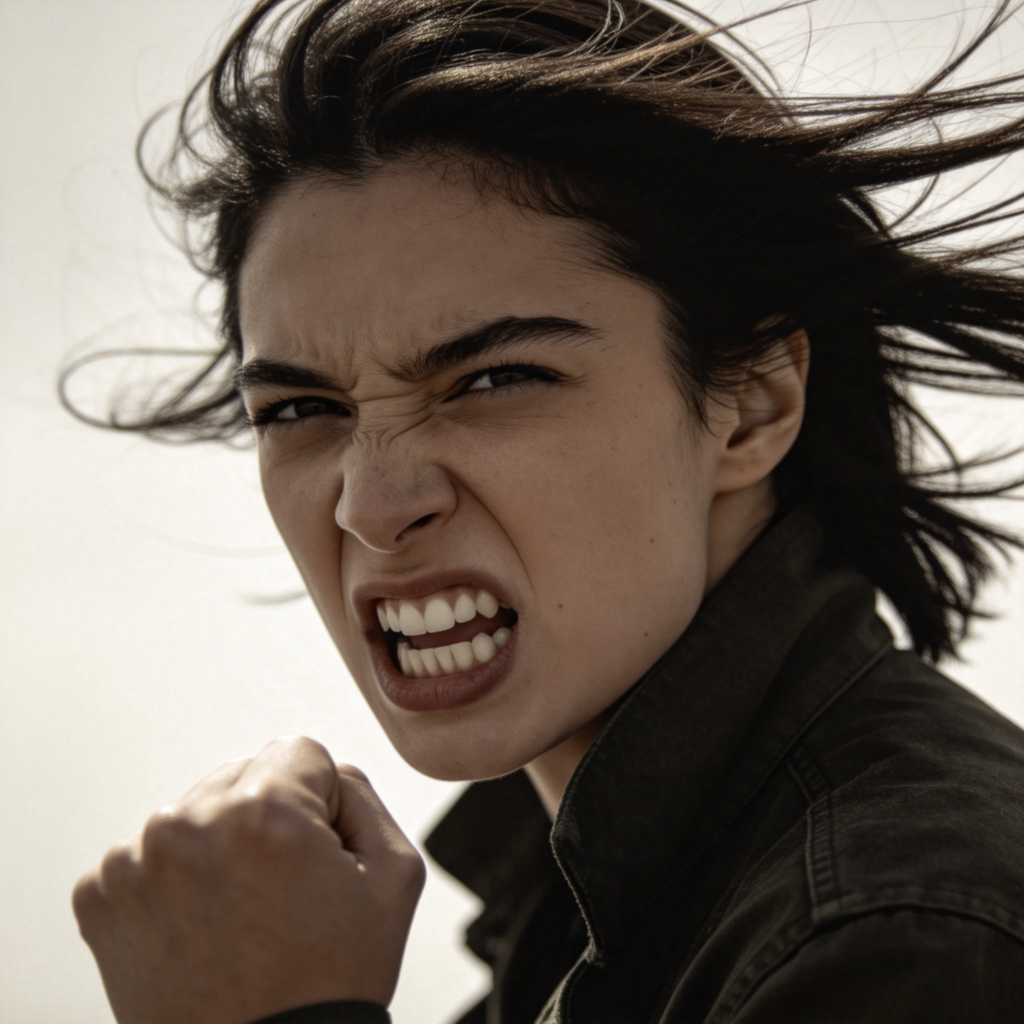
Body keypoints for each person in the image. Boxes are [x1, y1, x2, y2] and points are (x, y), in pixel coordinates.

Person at [68, 0, 1024, 1021]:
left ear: (752, 402)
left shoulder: (896, 934)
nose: (374, 507)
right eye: (302, 408)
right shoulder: (595, 908)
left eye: (492, 380)